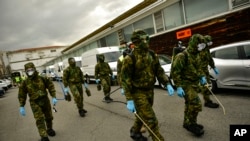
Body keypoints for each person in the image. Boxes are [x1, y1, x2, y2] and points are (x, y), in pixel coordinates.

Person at [121, 29, 174, 141]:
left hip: (150, 90)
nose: (146, 42)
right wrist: (129, 98)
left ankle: (135, 132)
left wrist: (167, 83)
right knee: (151, 119)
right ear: (136, 42)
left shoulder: (152, 54)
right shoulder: (130, 59)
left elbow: (159, 70)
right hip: (137, 92)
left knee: (142, 115)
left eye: (147, 39)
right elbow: (125, 80)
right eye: (143, 40)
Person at [171, 34, 207, 137]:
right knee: (196, 104)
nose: (201, 47)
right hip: (185, 84)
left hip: (194, 83)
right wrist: (178, 86)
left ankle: (188, 122)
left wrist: (201, 76)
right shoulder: (182, 56)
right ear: (194, 43)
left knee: (189, 104)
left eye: (203, 45)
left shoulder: (197, 55)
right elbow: (175, 72)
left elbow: (199, 68)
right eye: (200, 45)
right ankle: (191, 124)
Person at [18, 62, 58, 141]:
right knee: (39, 119)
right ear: (25, 71)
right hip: (34, 103)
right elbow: (22, 94)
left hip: (45, 100)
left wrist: (53, 96)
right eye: (28, 70)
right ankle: (43, 135)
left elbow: (50, 86)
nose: (30, 71)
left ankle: (49, 129)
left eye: (31, 69)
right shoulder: (25, 82)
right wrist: (22, 105)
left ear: (34, 69)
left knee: (49, 117)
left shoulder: (42, 78)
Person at [199, 35, 219, 108]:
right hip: (200, 71)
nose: (210, 43)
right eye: (208, 42)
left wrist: (213, 67)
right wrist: (201, 75)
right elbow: (196, 64)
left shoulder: (206, 49)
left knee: (207, 85)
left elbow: (209, 59)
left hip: (205, 69)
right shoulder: (199, 50)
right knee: (205, 86)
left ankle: (207, 100)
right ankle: (207, 102)